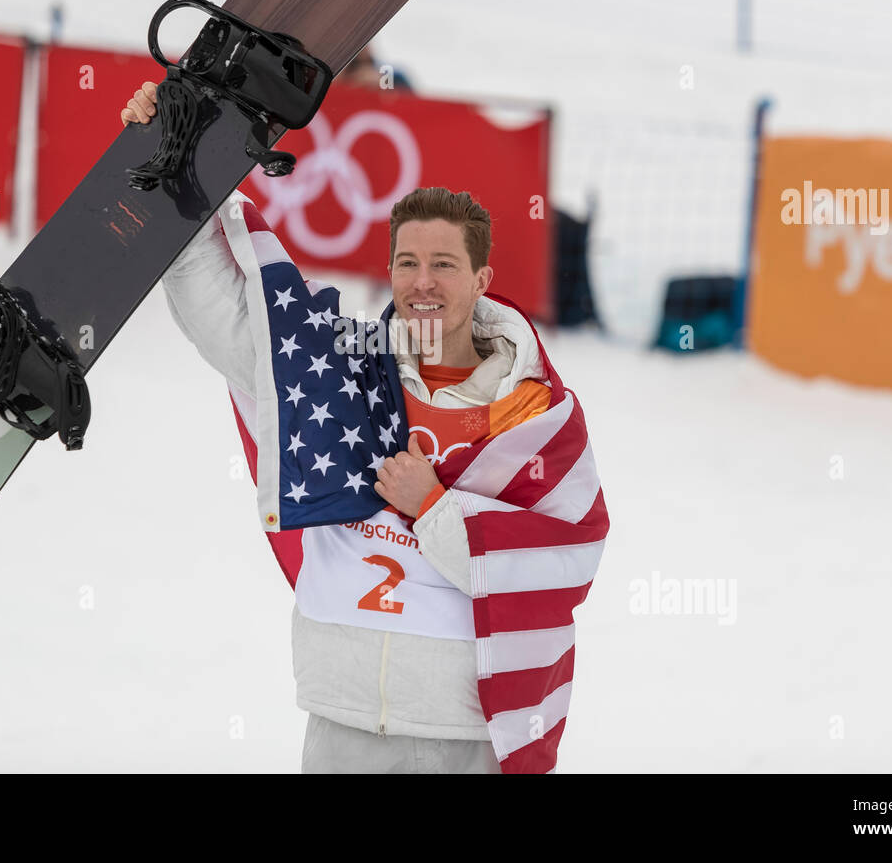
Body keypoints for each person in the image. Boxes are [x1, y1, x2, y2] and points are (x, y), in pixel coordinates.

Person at [120, 88, 607, 774]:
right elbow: (233, 325)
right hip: (340, 719)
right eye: (407, 262)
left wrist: (435, 509)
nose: (423, 283)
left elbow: (568, 562)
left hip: (461, 736)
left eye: (445, 264)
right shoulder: (345, 374)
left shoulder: (537, 418)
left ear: (482, 280)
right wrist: (170, 162)